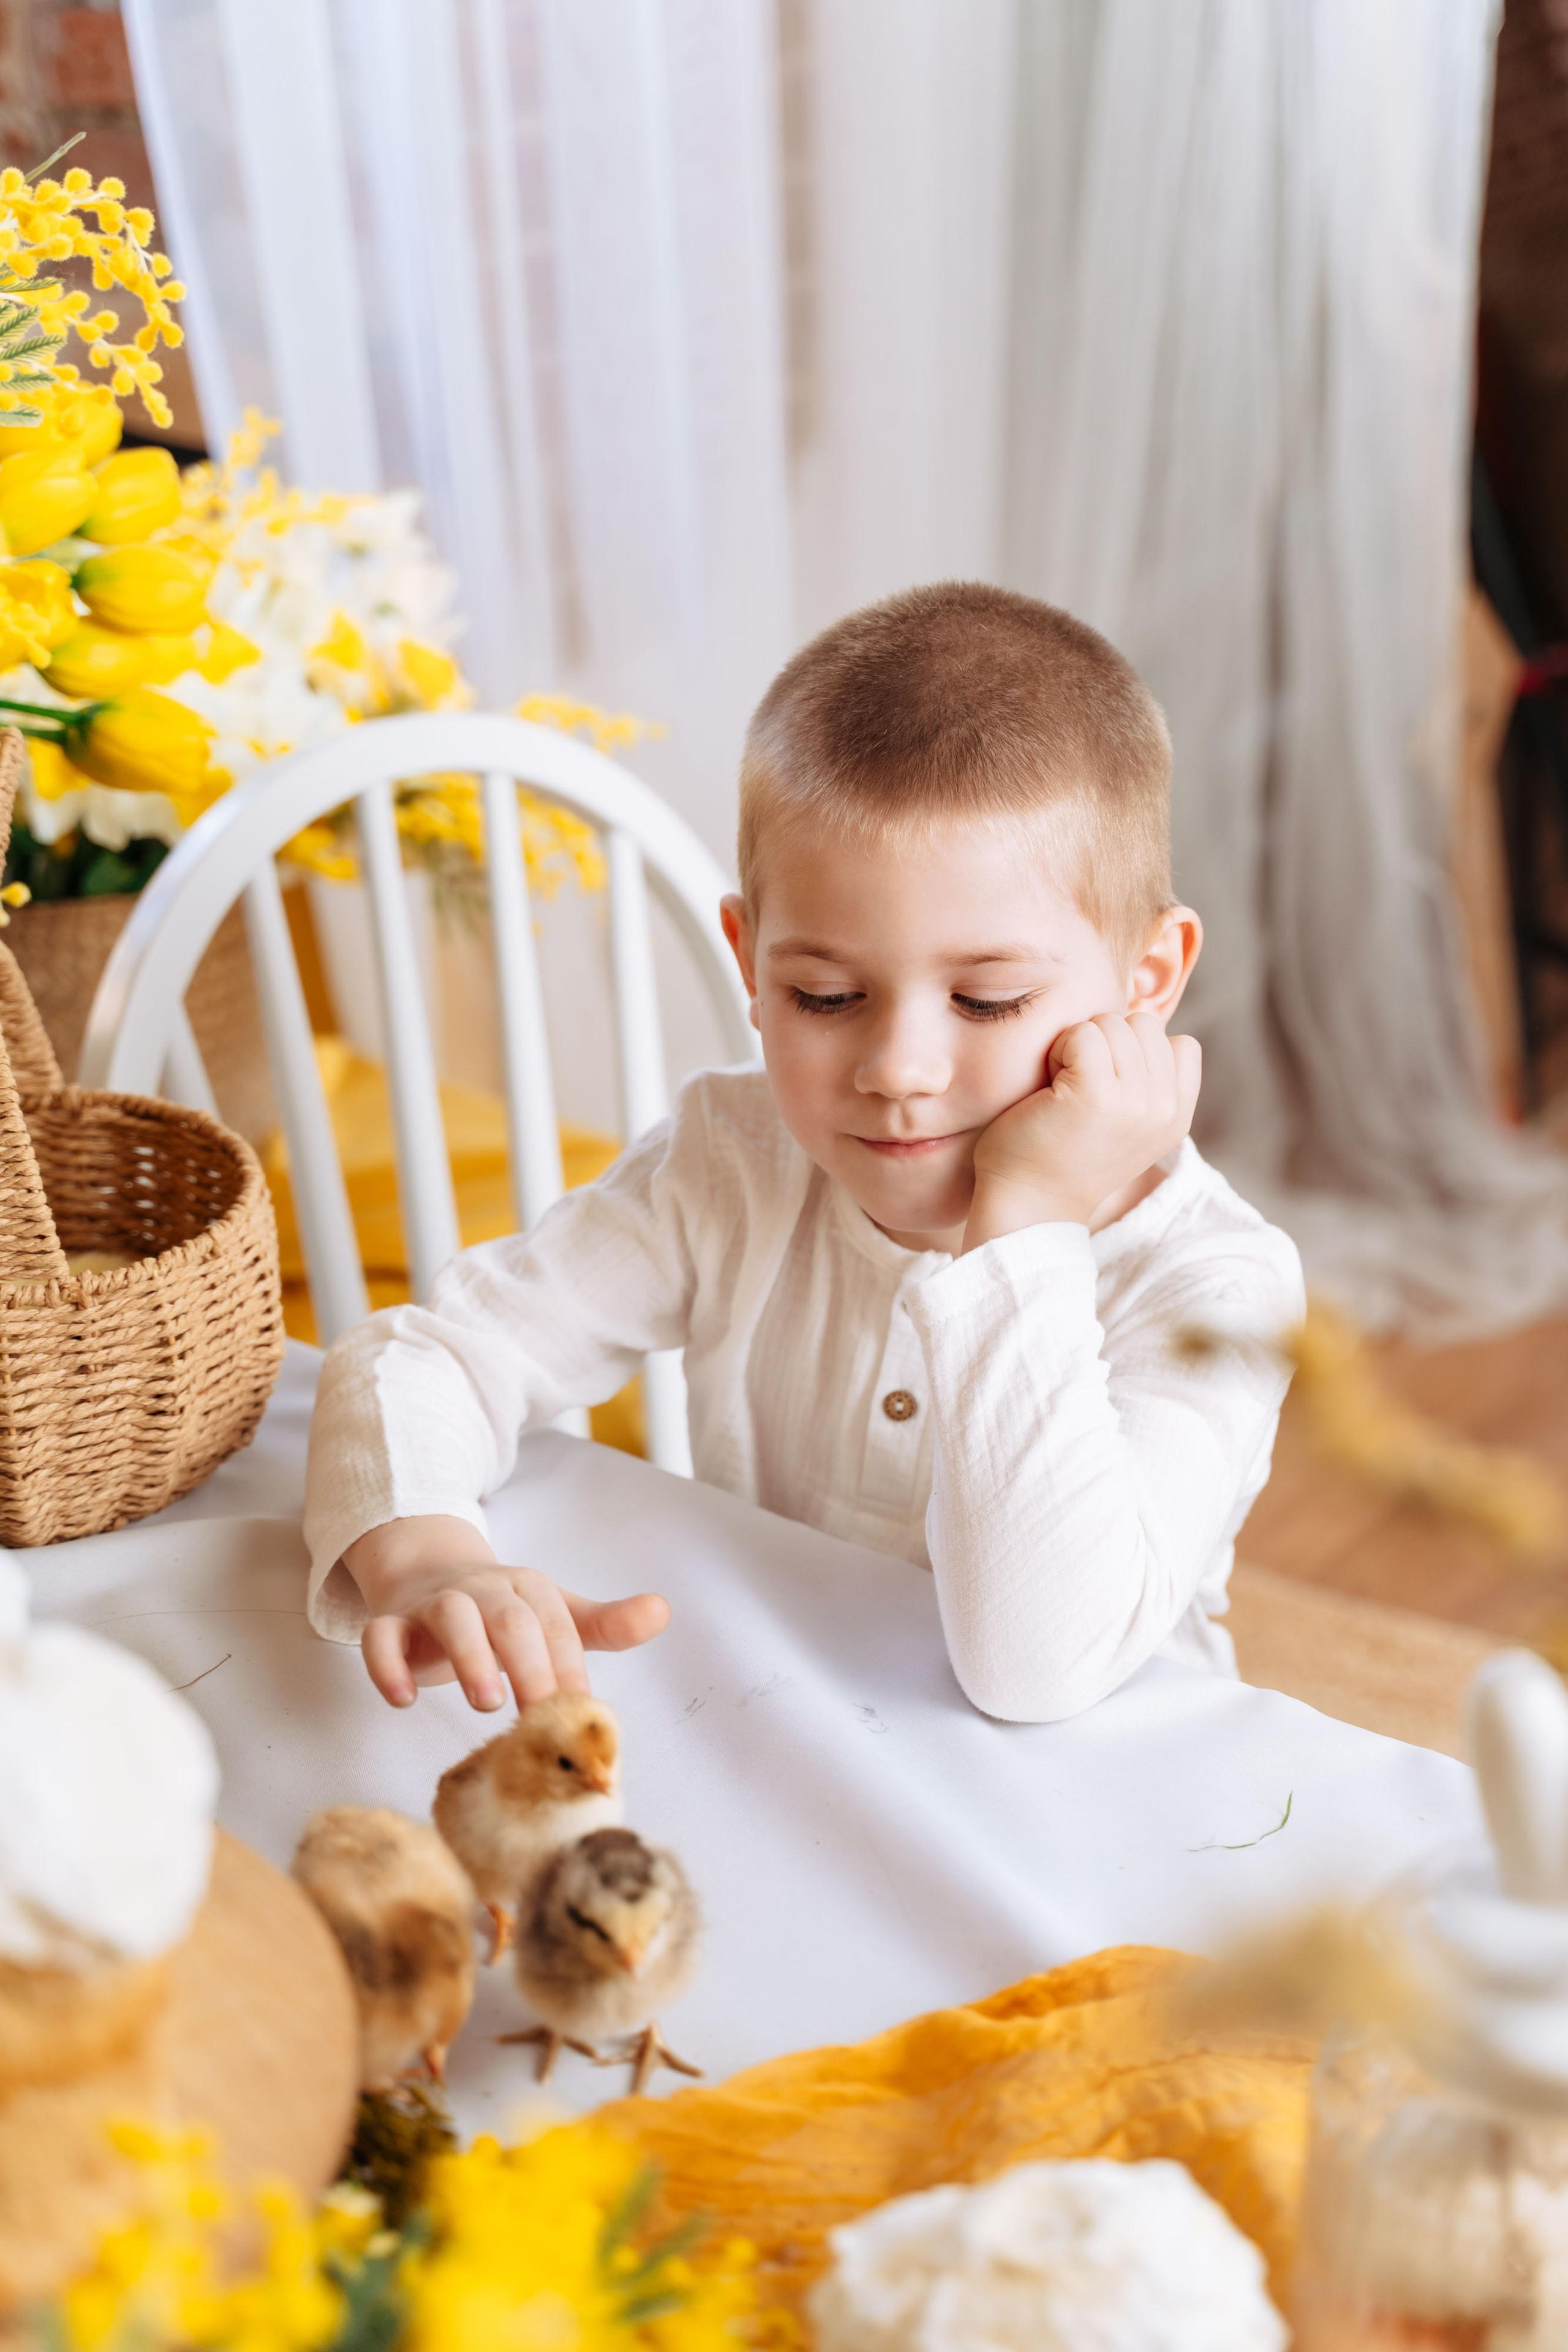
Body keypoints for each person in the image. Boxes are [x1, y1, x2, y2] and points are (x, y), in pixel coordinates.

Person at [304, 584, 1303, 1724]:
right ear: (749, 960)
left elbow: (1036, 1670)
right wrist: (427, 1557)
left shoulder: (1219, 1284)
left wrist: (1025, 1219)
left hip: (1100, 1798)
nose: (900, 1068)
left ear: (1147, 983)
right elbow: (429, 1357)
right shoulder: (730, 1159)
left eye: (985, 1002)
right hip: (780, 1720)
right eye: (826, 996)